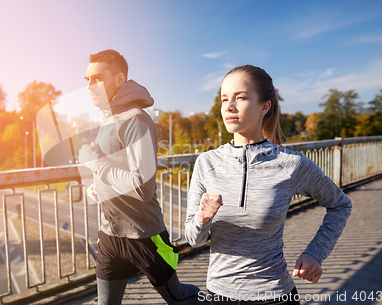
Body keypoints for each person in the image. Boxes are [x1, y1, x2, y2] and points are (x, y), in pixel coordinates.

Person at [185, 65, 352, 305]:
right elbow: (193, 240)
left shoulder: (290, 164)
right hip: (218, 296)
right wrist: (202, 218)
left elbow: (340, 205)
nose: (229, 107)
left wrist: (316, 253)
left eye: (240, 97)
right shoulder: (206, 163)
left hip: (274, 295)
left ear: (265, 106)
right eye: (224, 99)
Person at [79, 49, 207, 305]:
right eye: (87, 79)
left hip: (144, 236)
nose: (90, 85)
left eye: (97, 78)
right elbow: (116, 170)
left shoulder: (137, 119)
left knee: (178, 298)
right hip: (110, 235)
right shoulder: (107, 119)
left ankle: (215, 298)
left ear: (119, 79)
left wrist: (96, 163)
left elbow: (142, 187)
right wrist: (98, 187)